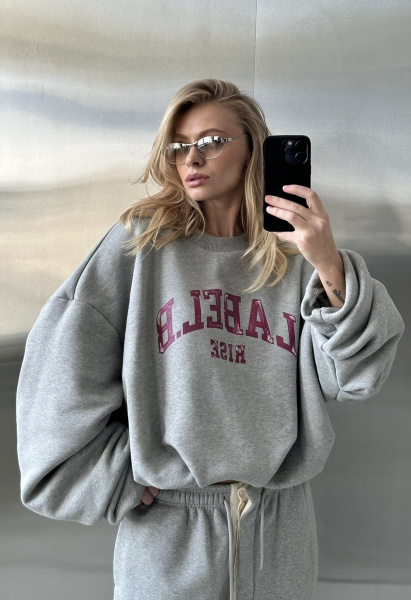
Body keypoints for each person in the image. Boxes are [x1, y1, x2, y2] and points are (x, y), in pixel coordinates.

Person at [16, 78, 404, 600]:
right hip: (170, 538)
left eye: (212, 141)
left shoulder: (294, 260)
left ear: (253, 150)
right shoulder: (142, 244)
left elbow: (358, 376)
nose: (192, 158)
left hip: (280, 536)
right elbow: (61, 363)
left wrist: (328, 261)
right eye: (179, 146)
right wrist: (117, 473)